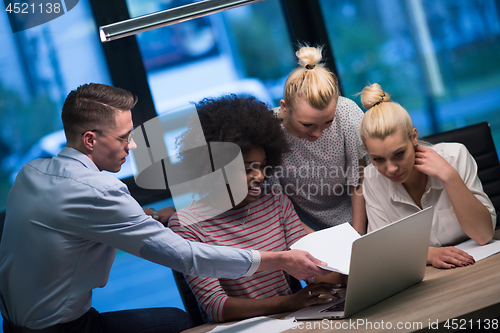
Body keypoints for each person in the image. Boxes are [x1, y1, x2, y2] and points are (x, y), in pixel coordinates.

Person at [0, 84, 330, 333]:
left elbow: (71, 227)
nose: (131, 145)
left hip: (13, 322)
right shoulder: (101, 192)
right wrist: (280, 260)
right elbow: (186, 256)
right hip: (62, 328)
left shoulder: (31, 174)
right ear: (89, 139)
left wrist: (155, 218)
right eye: (123, 137)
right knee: (173, 323)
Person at [168, 95, 342, 323]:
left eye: (261, 166)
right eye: (247, 169)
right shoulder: (186, 225)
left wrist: (341, 267)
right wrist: (291, 302)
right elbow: (217, 307)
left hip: (292, 322)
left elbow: (311, 272)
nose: (259, 176)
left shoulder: (275, 201)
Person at [359, 83, 497, 269]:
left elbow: (483, 235)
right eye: (378, 159)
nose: (391, 168)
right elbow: (383, 252)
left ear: (414, 137)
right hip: (427, 278)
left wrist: (449, 177)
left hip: (479, 266)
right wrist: (430, 254)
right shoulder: (371, 178)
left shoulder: (454, 156)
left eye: (399, 154)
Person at [267, 45, 367, 234]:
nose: (318, 133)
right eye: (307, 125)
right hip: (299, 229)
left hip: (357, 219)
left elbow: (359, 181)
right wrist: (317, 241)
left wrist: (358, 235)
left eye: (327, 122)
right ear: (285, 106)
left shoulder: (346, 113)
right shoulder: (268, 131)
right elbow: (276, 203)